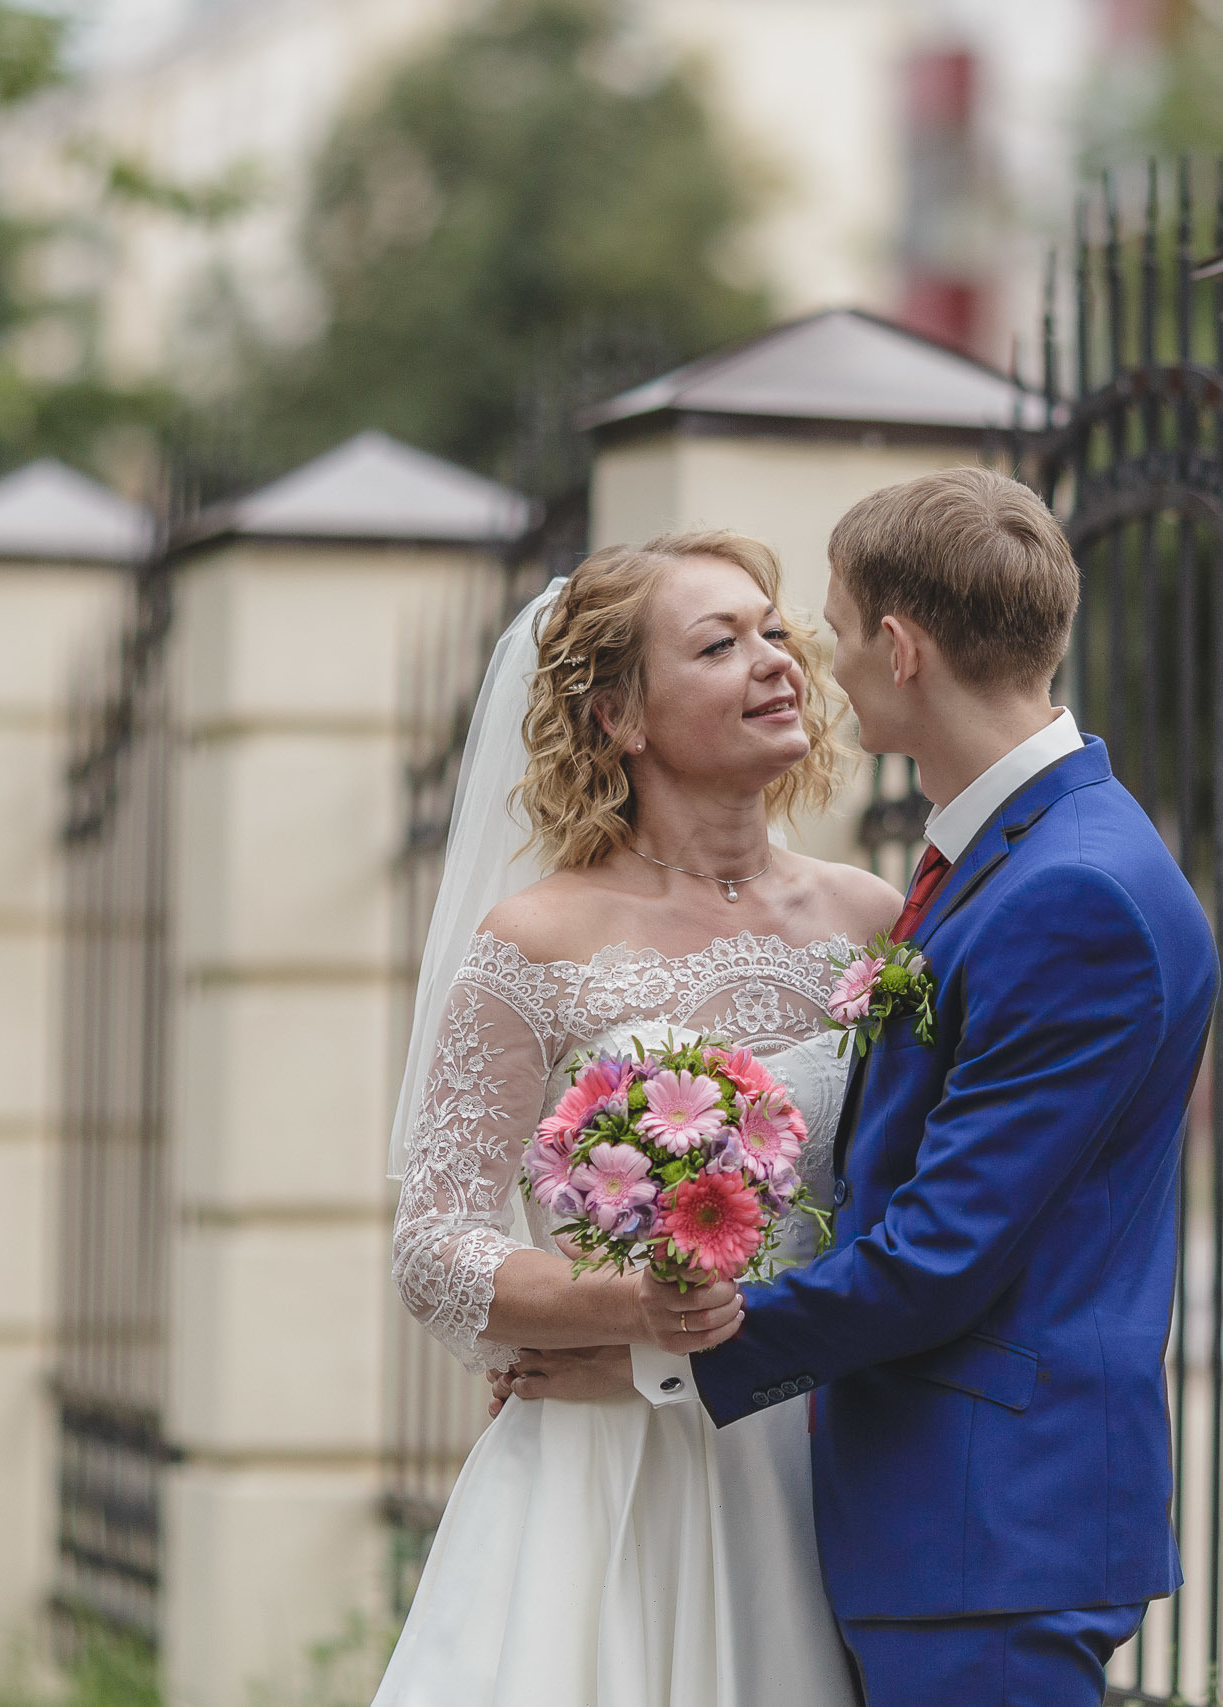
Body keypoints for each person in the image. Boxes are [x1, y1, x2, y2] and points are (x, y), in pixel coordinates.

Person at [652, 466, 1221, 1705]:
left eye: (839, 628)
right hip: (950, 1519)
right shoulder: (1023, 853)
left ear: (900, 648)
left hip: (987, 1530)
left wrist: (662, 1354)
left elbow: (937, 1253)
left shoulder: (1077, 894)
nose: (822, 662)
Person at [376, 528, 901, 1707]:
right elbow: (434, 1241)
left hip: (815, 1453)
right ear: (619, 715)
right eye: (719, 644)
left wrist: (703, 1346)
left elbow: (915, 1217)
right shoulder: (537, 942)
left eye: (776, 633)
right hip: (604, 1473)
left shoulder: (872, 924)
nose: (776, 662)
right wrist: (632, 1308)